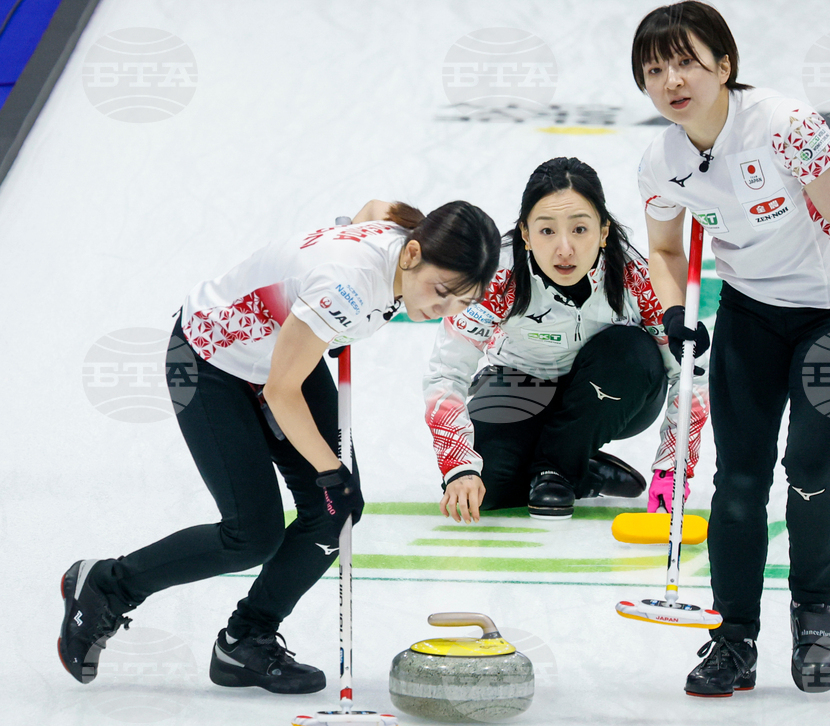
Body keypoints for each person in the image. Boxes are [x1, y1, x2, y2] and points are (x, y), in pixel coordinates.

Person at [58, 200, 501, 694]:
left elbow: (373, 209)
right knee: (252, 534)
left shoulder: (401, 236)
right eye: (440, 293)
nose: (442, 310)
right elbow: (281, 394)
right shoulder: (346, 287)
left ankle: (245, 640)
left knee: (337, 511)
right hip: (210, 360)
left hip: (282, 351)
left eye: (461, 303)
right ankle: (105, 586)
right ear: (412, 253)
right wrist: (331, 470)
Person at [632, 1, 830, 697]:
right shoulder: (662, 160)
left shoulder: (788, 128)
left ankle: (813, 616)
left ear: (725, 65)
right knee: (739, 481)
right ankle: (734, 635)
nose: (671, 81)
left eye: (685, 61)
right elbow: (662, 248)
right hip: (750, 314)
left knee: (810, 467)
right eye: (655, 70)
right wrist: (677, 312)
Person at [424, 157, 709, 522]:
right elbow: (445, 373)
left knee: (632, 351)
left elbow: (690, 375)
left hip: (612, 387)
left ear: (604, 231)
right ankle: (579, 467)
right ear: (525, 234)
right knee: (485, 487)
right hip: (522, 382)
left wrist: (673, 470)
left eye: (579, 229)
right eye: (546, 231)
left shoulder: (637, 276)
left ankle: (557, 468)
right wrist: (459, 465)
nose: (564, 249)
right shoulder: (497, 276)